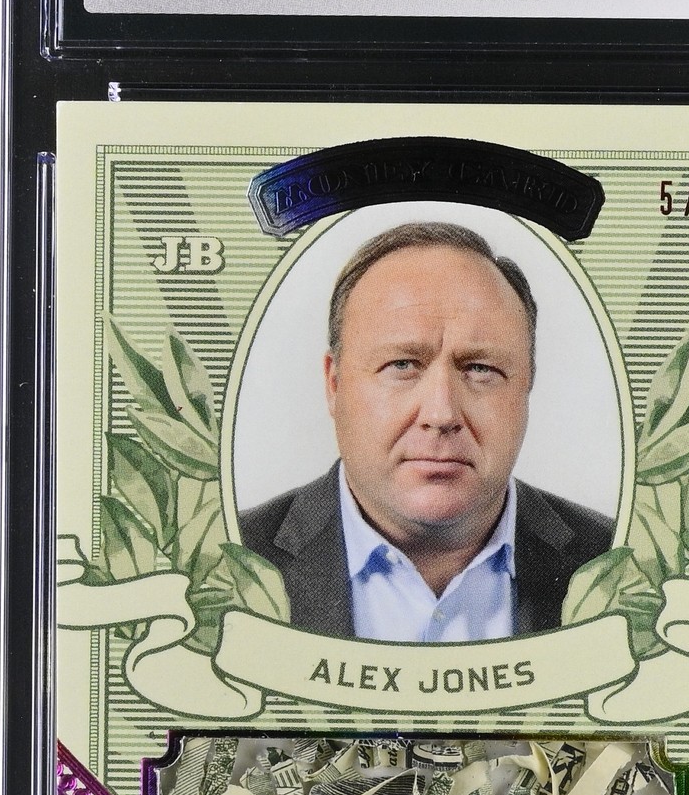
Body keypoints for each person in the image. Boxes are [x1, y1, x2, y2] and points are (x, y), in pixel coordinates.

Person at [239, 222, 613, 640]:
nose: (441, 412)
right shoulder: (224, 562)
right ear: (334, 384)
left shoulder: (621, 562)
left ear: (527, 385)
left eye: (480, 369)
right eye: (402, 365)